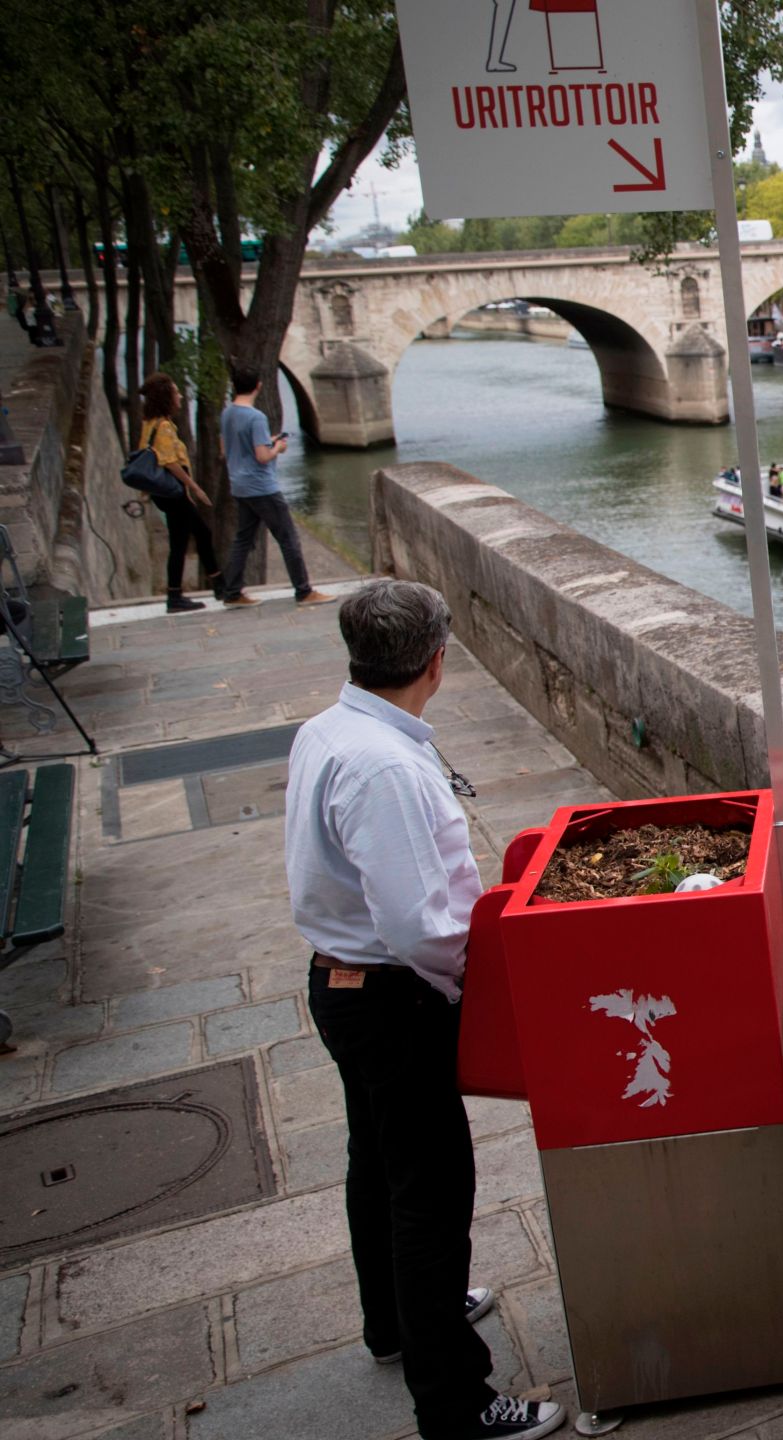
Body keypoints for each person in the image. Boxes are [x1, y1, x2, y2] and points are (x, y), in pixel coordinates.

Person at [285, 581, 563, 1440]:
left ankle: (396, 1322)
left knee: (377, 1164)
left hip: (340, 982)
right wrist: (471, 988)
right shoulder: (386, 766)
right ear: (438, 660)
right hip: (394, 998)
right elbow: (420, 926)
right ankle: (457, 1402)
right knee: (431, 1191)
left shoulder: (328, 730)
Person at [216, 367, 328, 607]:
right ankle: (304, 590)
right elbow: (263, 456)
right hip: (261, 487)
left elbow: (224, 451)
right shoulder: (255, 417)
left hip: (239, 485)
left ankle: (232, 592)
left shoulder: (227, 414)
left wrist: (268, 442)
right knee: (288, 538)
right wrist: (278, 447)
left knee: (243, 540)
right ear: (258, 385)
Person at [137, 373, 219, 612]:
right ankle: (214, 586)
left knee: (187, 539)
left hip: (167, 494)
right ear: (167, 398)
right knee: (195, 536)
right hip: (173, 494)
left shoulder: (150, 423)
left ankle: (195, 589)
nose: (180, 396)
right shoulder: (163, 427)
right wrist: (194, 488)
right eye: (176, 392)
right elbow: (170, 463)